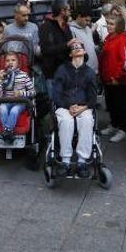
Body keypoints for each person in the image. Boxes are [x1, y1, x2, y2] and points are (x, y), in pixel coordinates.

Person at [51, 42, 98, 178]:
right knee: (66, 121)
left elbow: (93, 96)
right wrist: (68, 106)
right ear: (70, 54)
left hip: (83, 106)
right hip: (64, 105)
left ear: (84, 51)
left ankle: (82, 161)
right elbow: (56, 94)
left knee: (88, 120)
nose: (77, 48)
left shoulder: (89, 72)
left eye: (80, 47)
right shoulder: (62, 70)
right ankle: (65, 161)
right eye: (73, 47)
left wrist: (83, 107)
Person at [100, 15, 126, 143]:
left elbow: (124, 61)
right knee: (111, 104)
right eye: (108, 23)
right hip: (107, 78)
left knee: (119, 105)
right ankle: (114, 125)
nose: (109, 26)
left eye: (112, 24)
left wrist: (117, 77)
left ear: (118, 26)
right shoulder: (108, 38)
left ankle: (122, 129)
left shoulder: (122, 39)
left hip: (117, 80)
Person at [0, 52, 35, 141]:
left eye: (13, 60)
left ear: (18, 63)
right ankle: (8, 133)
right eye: (7, 61)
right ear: (4, 64)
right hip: (6, 100)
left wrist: (21, 93)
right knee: (2, 108)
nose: (10, 62)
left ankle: (6, 131)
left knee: (14, 110)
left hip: (20, 102)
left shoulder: (24, 75)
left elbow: (33, 92)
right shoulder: (3, 75)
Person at [39, 0, 76, 98]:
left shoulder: (66, 27)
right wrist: (67, 45)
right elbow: (46, 50)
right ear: (62, 11)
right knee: (56, 105)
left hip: (67, 71)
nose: (70, 12)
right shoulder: (46, 27)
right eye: (68, 10)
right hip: (53, 73)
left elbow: (69, 45)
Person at [69, 5, 98, 74]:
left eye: (89, 21)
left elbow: (90, 46)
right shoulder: (71, 30)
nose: (88, 23)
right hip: (83, 71)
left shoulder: (87, 28)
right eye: (86, 20)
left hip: (94, 69)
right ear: (79, 17)